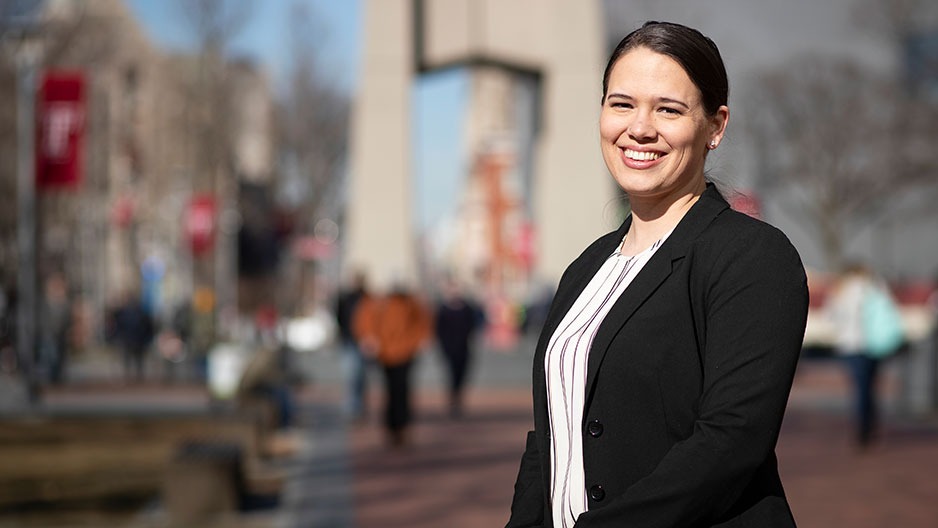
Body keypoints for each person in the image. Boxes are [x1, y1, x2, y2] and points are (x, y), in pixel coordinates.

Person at [506, 22, 809, 528]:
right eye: (621, 104)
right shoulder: (585, 270)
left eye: (668, 109)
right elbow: (550, 434)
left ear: (715, 126)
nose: (639, 128)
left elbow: (730, 440)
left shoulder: (752, 257)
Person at [826, 263, 902, 448]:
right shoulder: (876, 285)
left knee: (860, 388)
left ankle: (863, 429)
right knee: (869, 386)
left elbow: (832, 316)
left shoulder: (841, 289)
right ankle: (870, 422)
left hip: (851, 345)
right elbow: (890, 310)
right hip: (874, 344)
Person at [353, 284, 431, 447]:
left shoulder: (409, 300)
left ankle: (403, 426)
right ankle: (392, 427)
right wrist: (369, 338)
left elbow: (422, 320)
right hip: (385, 352)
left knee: (403, 389)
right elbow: (365, 320)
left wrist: (420, 340)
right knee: (391, 390)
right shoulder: (377, 299)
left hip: (406, 351)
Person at [434, 277, 483, 418]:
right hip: (449, 349)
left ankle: (458, 399)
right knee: (451, 375)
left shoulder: (467, 308)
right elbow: (439, 330)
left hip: (464, 348)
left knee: (462, 375)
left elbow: (472, 326)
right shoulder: (443, 309)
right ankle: (453, 400)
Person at [335, 271, 370, 420]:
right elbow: (339, 316)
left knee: (361, 375)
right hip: (349, 340)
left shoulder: (368, 298)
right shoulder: (346, 298)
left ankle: (359, 405)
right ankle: (353, 405)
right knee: (351, 374)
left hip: (364, 341)